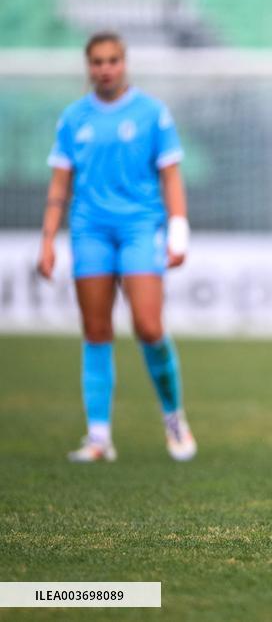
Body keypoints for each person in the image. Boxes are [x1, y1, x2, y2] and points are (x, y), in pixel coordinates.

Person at [39, 31, 196, 462]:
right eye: (96, 61)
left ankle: (173, 417)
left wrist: (178, 230)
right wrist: (48, 239)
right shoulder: (73, 118)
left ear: (124, 63)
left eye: (111, 60)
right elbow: (59, 185)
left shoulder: (151, 113)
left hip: (140, 228)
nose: (104, 68)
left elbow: (170, 175)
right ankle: (98, 437)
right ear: (88, 66)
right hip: (89, 230)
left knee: (148, 327)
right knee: (96, 331)